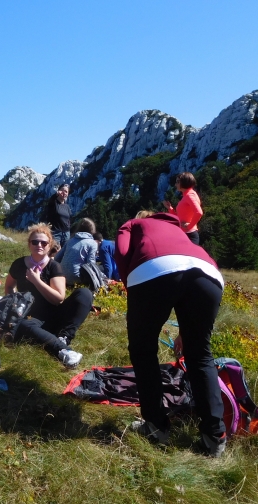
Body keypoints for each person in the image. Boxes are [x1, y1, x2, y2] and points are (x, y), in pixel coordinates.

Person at [115, 211, 226, 457]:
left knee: (143, 350)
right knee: (200, 354)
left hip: (154, 269)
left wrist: (132, 289)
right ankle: (215, 435)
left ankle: (156, 426)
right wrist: (186, 331)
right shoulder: (180, 230)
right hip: (209, 273)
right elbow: (191, 266)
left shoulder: (134, 223)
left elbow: (121, 252)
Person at [4, 223, 92, 368]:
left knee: (85, 294)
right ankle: (63, 350)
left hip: (54, 313)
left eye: (44, 243)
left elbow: (58, 299)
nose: (39, 245)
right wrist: (12, 303)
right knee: (24, 325)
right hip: (31, 317)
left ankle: (64, 337)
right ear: (29, 244)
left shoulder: (53, 266)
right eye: (35, 242)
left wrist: (36, 281)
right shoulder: (19, 264)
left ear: (49, 245)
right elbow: (8, 285)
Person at [163, 172, 203, 245]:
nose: (175, 184)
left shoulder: (189, 195)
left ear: (184, 182)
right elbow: (180, 218)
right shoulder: (188, 194)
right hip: (186, 234)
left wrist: (189, 226)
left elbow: (199, 212)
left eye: (177, 182)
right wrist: (170, 208)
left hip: (189, 235)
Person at [54, 218, 98, 284]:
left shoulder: (70, 241)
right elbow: (91, 263)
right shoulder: (92, 243)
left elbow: (57, 258)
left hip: (62, 276)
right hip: (77, 277)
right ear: (92, 229)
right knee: (101, 268)